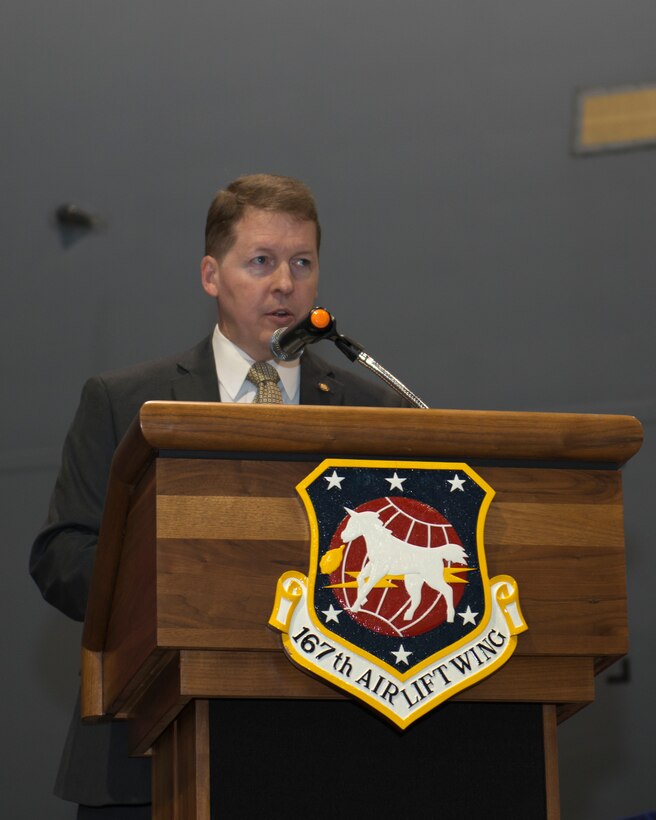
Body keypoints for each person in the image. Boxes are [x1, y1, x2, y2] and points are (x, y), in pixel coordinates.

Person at [29, 173, 408, 818]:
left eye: (302, 263)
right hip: (154, 751)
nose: (284, 283)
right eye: (261, 261)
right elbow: (63, 555)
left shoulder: (375, 407)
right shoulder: (127, 403)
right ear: (212, 275)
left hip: (337, 751)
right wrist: (176, 586)